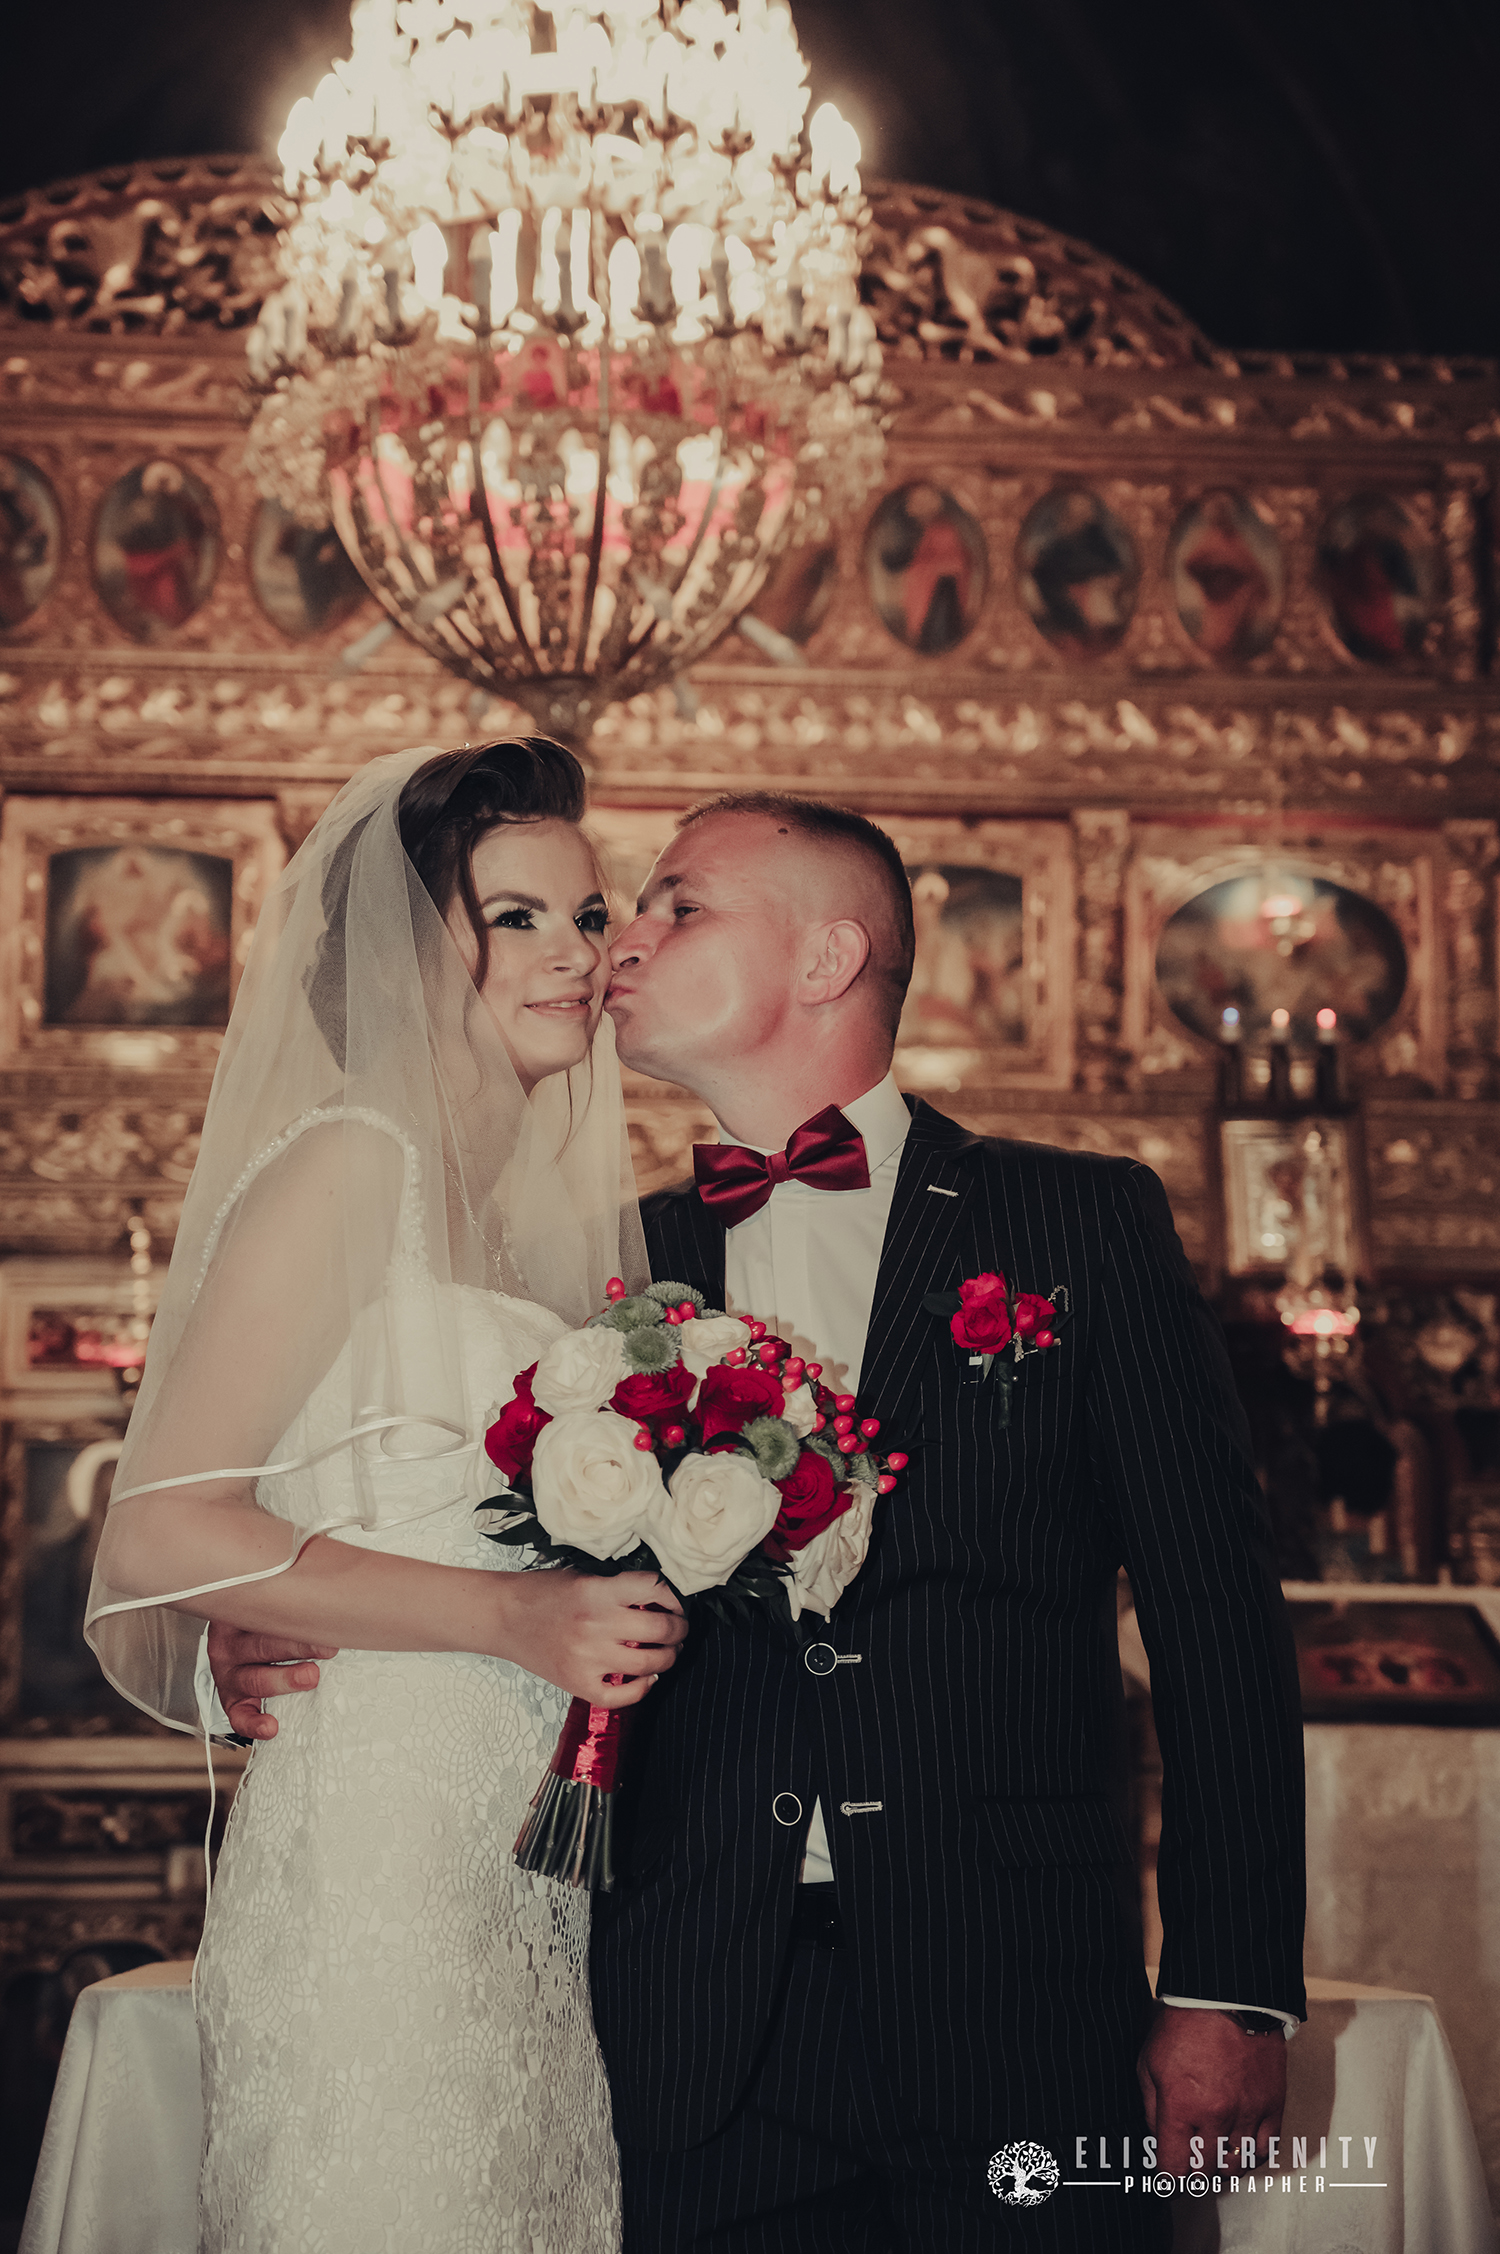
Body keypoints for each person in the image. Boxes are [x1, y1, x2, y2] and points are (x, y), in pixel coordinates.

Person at [212, 790, 1307, 2252]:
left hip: (1015, 1992)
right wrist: (284, 1608)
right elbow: (478, 1548)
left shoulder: (1078, 1223)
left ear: (828, 955)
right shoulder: (597, 1265)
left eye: (676, 905)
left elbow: (1217, 1614)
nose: (621, 942)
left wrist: (1230, 1985)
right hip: (689, 2011)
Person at [85, 740, 688, 2253]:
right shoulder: (353, 1164)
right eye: (517, 917)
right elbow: (159, 1526)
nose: (581, 953)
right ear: (408, 956)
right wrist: (514, 1614)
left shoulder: (518, 1210)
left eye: (588, 913)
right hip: (382, 1844)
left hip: (521, 1847)